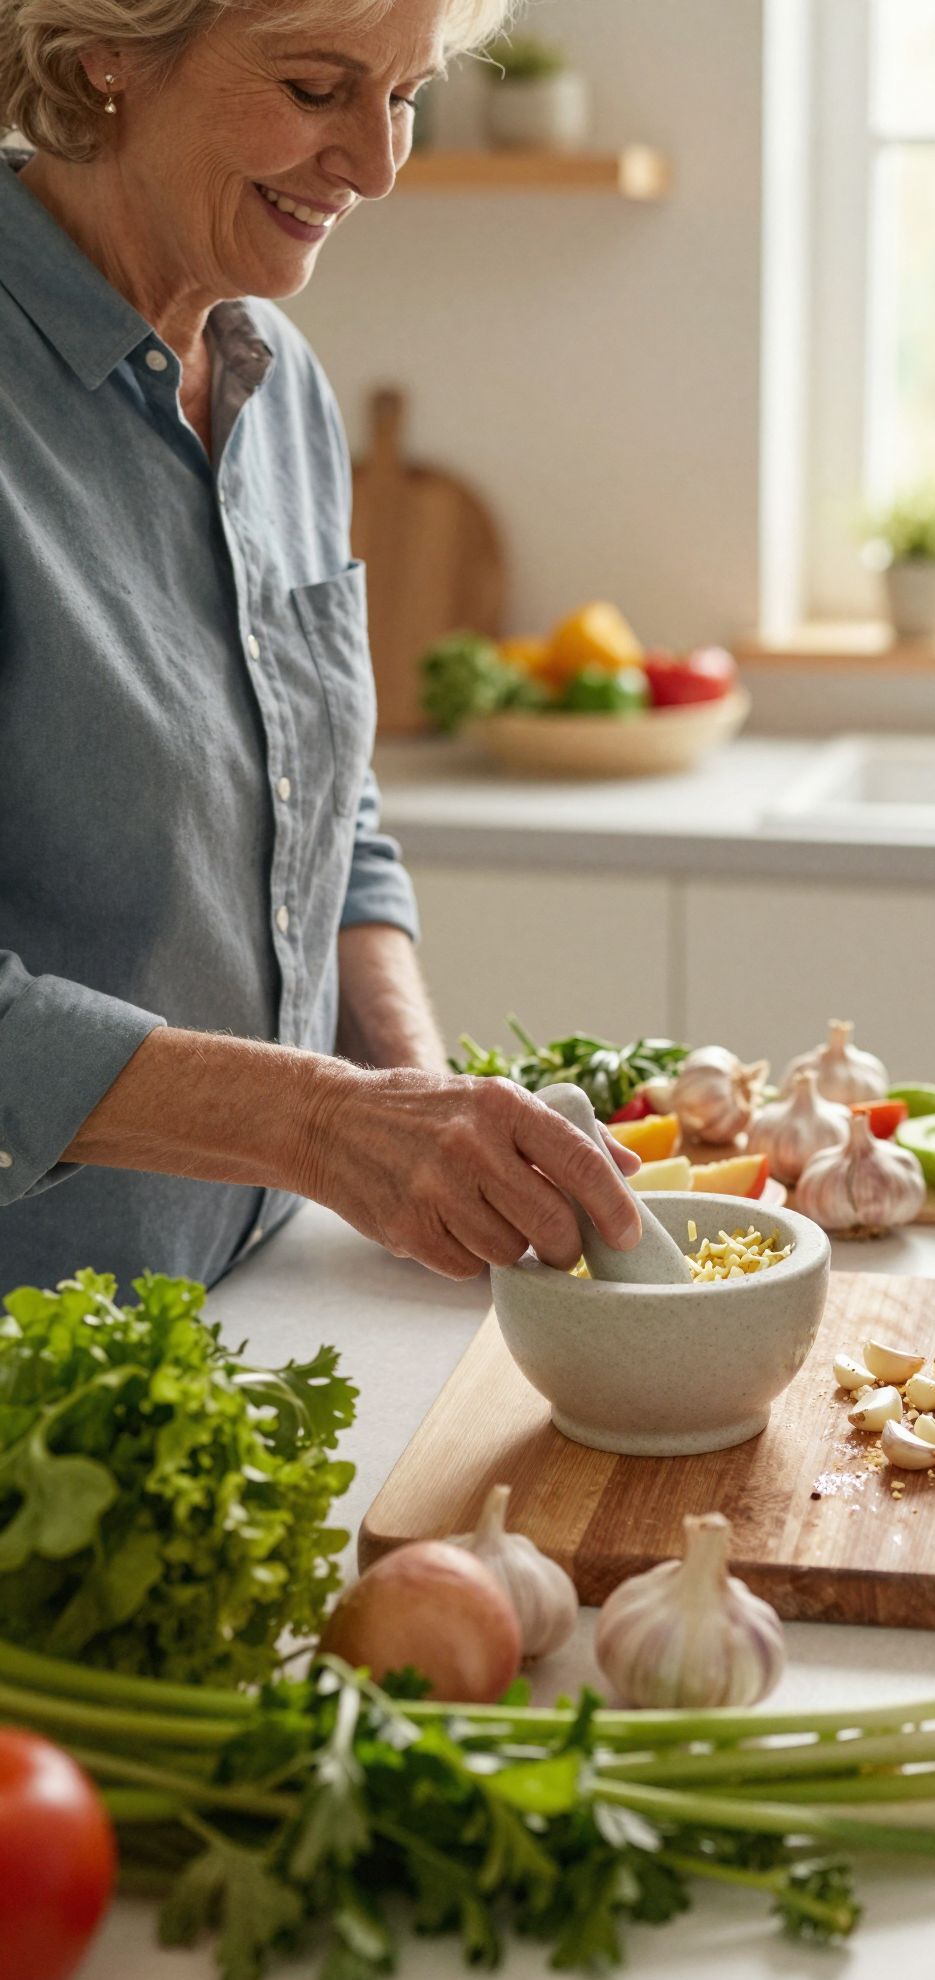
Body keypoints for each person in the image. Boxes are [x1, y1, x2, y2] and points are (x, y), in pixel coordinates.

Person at [0, 0, 643, 1296]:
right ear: (101, 56)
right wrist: (323, 1124)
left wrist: (418, 1093)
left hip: (259, 1292)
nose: (380, 163)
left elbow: (326, 816)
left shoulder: (273, 380)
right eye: (314, 89)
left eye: (403, 98)